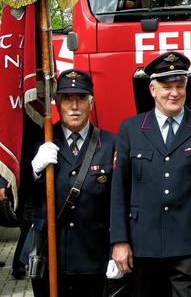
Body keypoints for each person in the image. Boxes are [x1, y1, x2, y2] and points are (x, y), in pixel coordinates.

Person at [110, 52, 191, 297]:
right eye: (166, 87)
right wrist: (119, 240)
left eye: (179, 86)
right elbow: (119, 190)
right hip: (143, 243)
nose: (174, 93)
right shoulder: (131, 129)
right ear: (152, 89)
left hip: (190, 243)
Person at [27, 69, 117, 296]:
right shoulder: (40, 140)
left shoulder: (111, 144)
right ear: (57, 103)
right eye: (67, 98)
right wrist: (33, 171)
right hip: (49, 256)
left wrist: (118, 247)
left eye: (81, 98)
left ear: (92, 102)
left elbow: (120, 204)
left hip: (93, 256)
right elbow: (18, 201)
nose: (74, 106)